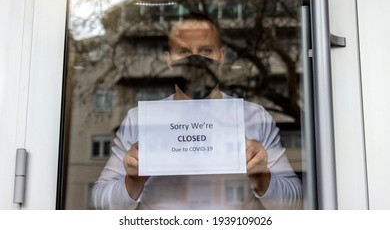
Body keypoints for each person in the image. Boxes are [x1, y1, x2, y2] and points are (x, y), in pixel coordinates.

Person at [92, 15, 303, 210]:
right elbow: (101, 201)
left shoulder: (254, 118)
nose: (195, 59)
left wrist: (262, 177)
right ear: (168, 60)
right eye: (184, 52)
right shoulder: (140, 121)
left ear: (221, 56)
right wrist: (132, 181)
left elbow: (293, 201)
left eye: (205, 51)